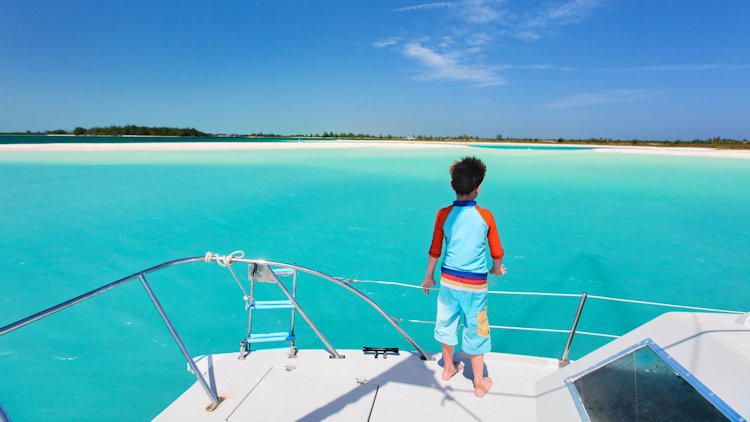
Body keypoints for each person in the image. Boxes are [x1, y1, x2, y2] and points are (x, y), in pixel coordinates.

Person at [421, 156, 506, 398]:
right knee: (477, 328)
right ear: (479, 188)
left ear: (452, 185)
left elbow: (435, 248)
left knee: (446, 323)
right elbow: (497, 252)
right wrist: (496, 269)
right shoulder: (486, 216)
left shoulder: (443, 214)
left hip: (448, 283)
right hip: (475, 288)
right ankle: (479, 384)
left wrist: (429, 277)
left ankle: (448, 368)